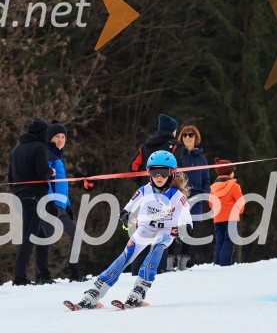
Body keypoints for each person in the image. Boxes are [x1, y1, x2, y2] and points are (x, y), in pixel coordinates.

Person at [71, 150, 192, 309]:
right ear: (149, 173)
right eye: (154, 172)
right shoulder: (145, 189)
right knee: (125, 256)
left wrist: (185, 228)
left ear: (172, 174)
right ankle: (96, 291)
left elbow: (187, 217)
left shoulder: (177, 195)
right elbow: (129, 206)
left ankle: (139, 289)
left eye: (163, 172)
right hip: (145, 228)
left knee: (156, 249)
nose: (159, 177)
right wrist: (125, 214)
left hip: (166, 231)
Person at [127, 113, 182, 275]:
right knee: (163, 232)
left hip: (147, 194)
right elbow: (180, 169)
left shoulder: (145, 146)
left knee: (143, 232)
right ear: (173, 131)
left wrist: (143, 184)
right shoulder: (176, 146)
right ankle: (159, 269)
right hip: (167, 195)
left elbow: (132, 168)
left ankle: (136, 270)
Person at [9, 118, 52, 285]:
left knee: (41, 234)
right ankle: (19, 278)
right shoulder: (40, 148)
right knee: (30, 236)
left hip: (19, 197)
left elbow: (10, 178)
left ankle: (43, 275)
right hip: (33, 197)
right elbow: (43, 173)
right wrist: (51, 172)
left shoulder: (16, 149)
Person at [166, 124, 209, 271]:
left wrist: (204, 194)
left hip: (195, 199)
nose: (187, 137)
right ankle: (168, 263)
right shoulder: (177, 155)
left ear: (196, 138)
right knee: (173, 227)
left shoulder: (202, 160)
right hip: (178, 197)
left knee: (189, 230)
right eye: (184, 135)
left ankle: (182, 264)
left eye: (191, 135)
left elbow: (206, 180)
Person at [42, 120, 82, 281]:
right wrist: (50, 202)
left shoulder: (58, 156)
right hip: (50, 205)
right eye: (57, 136)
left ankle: (75, 272)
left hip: (61, 205)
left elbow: (61, 185)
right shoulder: (46, 154)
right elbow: (45, 181)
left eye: (63, 137)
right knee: (47, 239)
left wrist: (68, 205)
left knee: (76, 235)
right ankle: (41, 275)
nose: (60, 140)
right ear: (50, 138)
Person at [209, 158, 244, 266]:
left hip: (217, 218)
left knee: (219, 241)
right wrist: (239, 212)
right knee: (228, 241)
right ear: (230, 172)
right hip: (231, 218)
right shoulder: (234, 186)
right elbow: (240, 202)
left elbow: (211, 204)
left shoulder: (213, 188)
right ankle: (224, 264)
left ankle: (217, 262)